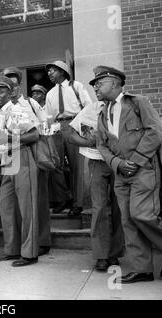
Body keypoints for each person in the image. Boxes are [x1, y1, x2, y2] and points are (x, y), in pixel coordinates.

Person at [93, 65, 162, 283]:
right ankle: (142, 269)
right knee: (128, 220)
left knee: (142, 214)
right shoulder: (102, 112)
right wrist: (117, 163)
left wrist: (134, 161)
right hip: (121, 173)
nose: (95, 87)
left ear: (114, 82)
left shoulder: (137, 102)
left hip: (144, 170)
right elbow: (101, 146)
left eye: (99, 83)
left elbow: (156, 131)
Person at [0, 75, 40, 267]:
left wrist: (11, 139)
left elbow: (34, 134)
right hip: (6, 161)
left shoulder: (17, 110)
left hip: (22, 156)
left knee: (27, 208)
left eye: (1, 90)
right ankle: (11, 249)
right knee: (6, 206)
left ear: (10, 93)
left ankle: (29, 253)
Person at [67, 100, 125, 271]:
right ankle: (101, 255)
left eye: (101, 84)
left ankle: (115, 253)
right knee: (99, 207)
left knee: (119, 207)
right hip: (97, 161)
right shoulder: (91, 108)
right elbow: (71, 133)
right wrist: (89, 142)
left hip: (120, 162)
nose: (98, 89)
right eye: (96, 85)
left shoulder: (125, 107)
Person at [2, 67, 51, 257]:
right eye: (7, 84)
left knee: (37, 201)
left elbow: (44, 127)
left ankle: (42, 241)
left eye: (14, 84)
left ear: (19, 84)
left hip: (33, 154)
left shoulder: (30, 103)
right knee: (15, 204)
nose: (11, 88)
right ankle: (18, 247)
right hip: (10, 157)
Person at [45, 60, 92, 216]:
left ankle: (77, 203)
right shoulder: (50, 93)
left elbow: (89, 107)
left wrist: (82, 127)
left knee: (76, 166)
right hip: (57, 129)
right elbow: (49, 117)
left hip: (75, 125)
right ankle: (63, 198)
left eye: (52, 70)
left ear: (62, 71)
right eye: (48, 71)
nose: (49, 73)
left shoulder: (76, 86)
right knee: (55, 165)